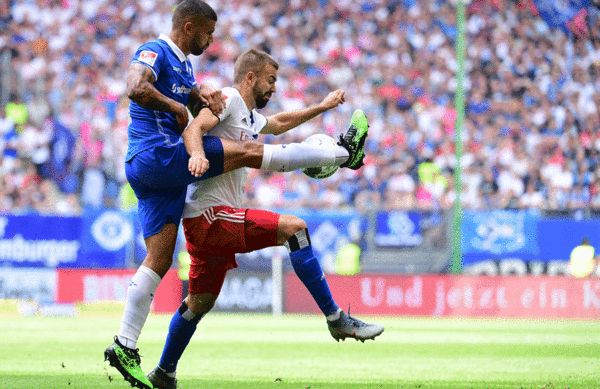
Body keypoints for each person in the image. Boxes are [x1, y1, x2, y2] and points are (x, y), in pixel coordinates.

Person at [103, 3, 368, 388]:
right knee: (248, 153)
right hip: (159, 155)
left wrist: (198, 95)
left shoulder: (190, 72)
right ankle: (344, 153)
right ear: (190, 26)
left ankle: (126, 345)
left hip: (164, 180)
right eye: (207, 33)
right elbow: (136, 88)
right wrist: (188, 121)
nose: (211, 41)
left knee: (160, 262)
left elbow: (273, 123)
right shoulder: (155, 51)